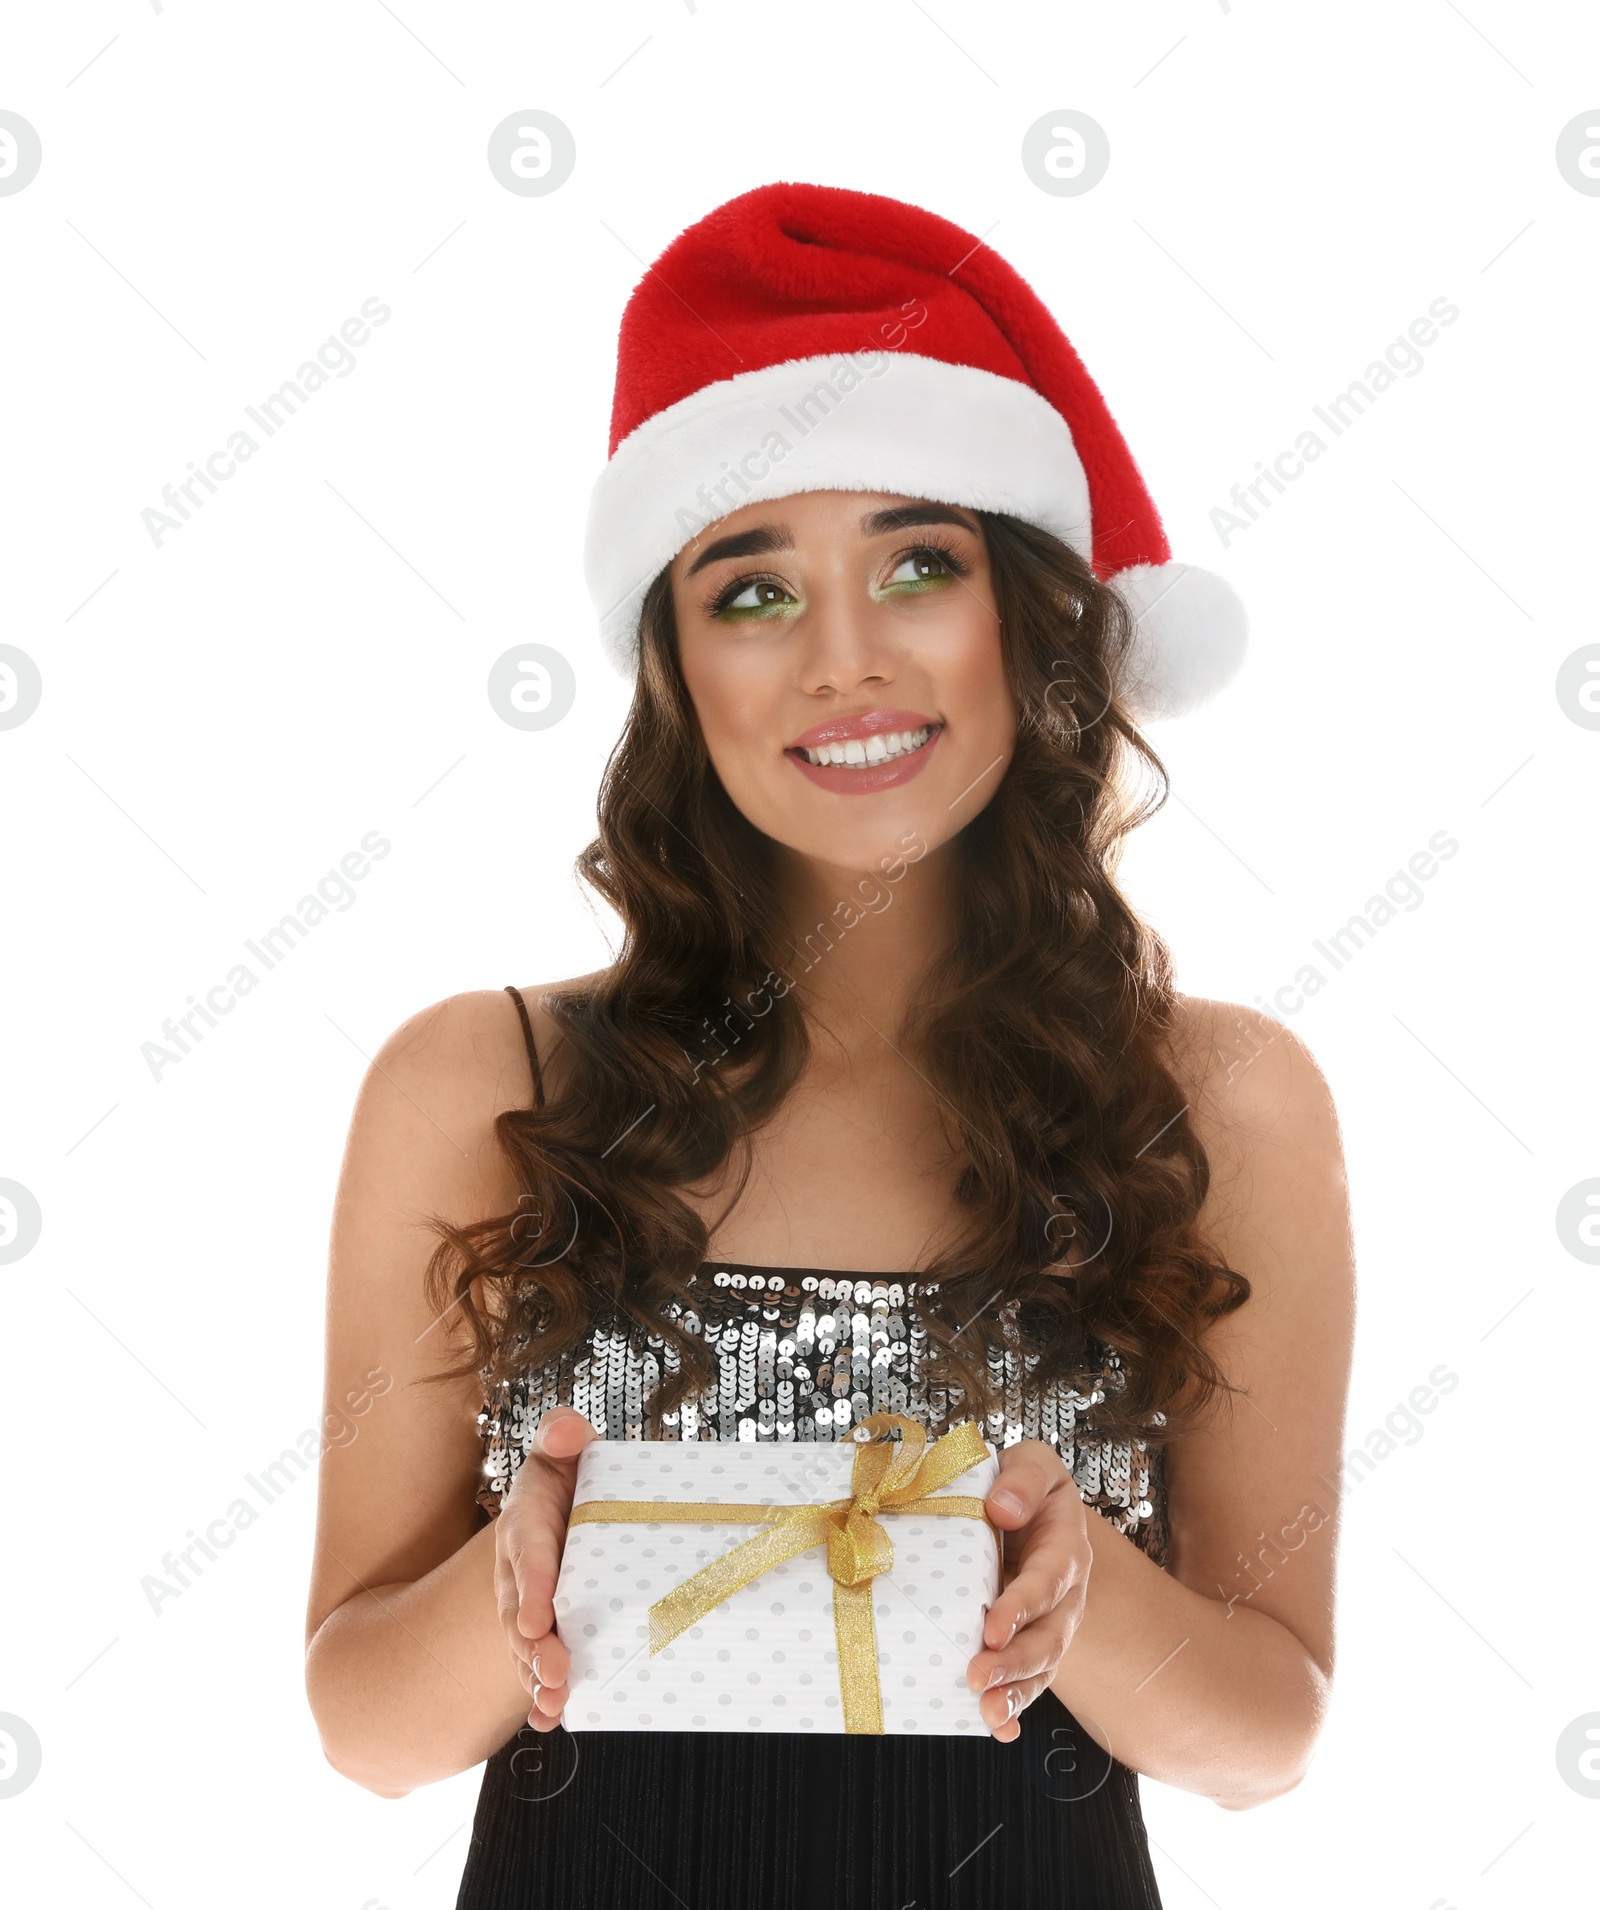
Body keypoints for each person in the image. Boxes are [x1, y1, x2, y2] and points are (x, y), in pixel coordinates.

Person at [304, 182, 1355, 1909]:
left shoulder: (1224, 1104)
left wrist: (1081, 1582)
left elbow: (1268, 1734)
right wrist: (526, 1578)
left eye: (919, 563)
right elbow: (364, 1721)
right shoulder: (481, 1090)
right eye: (753, 590)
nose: (846, 663)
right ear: (675, 661)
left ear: (1025, 614)